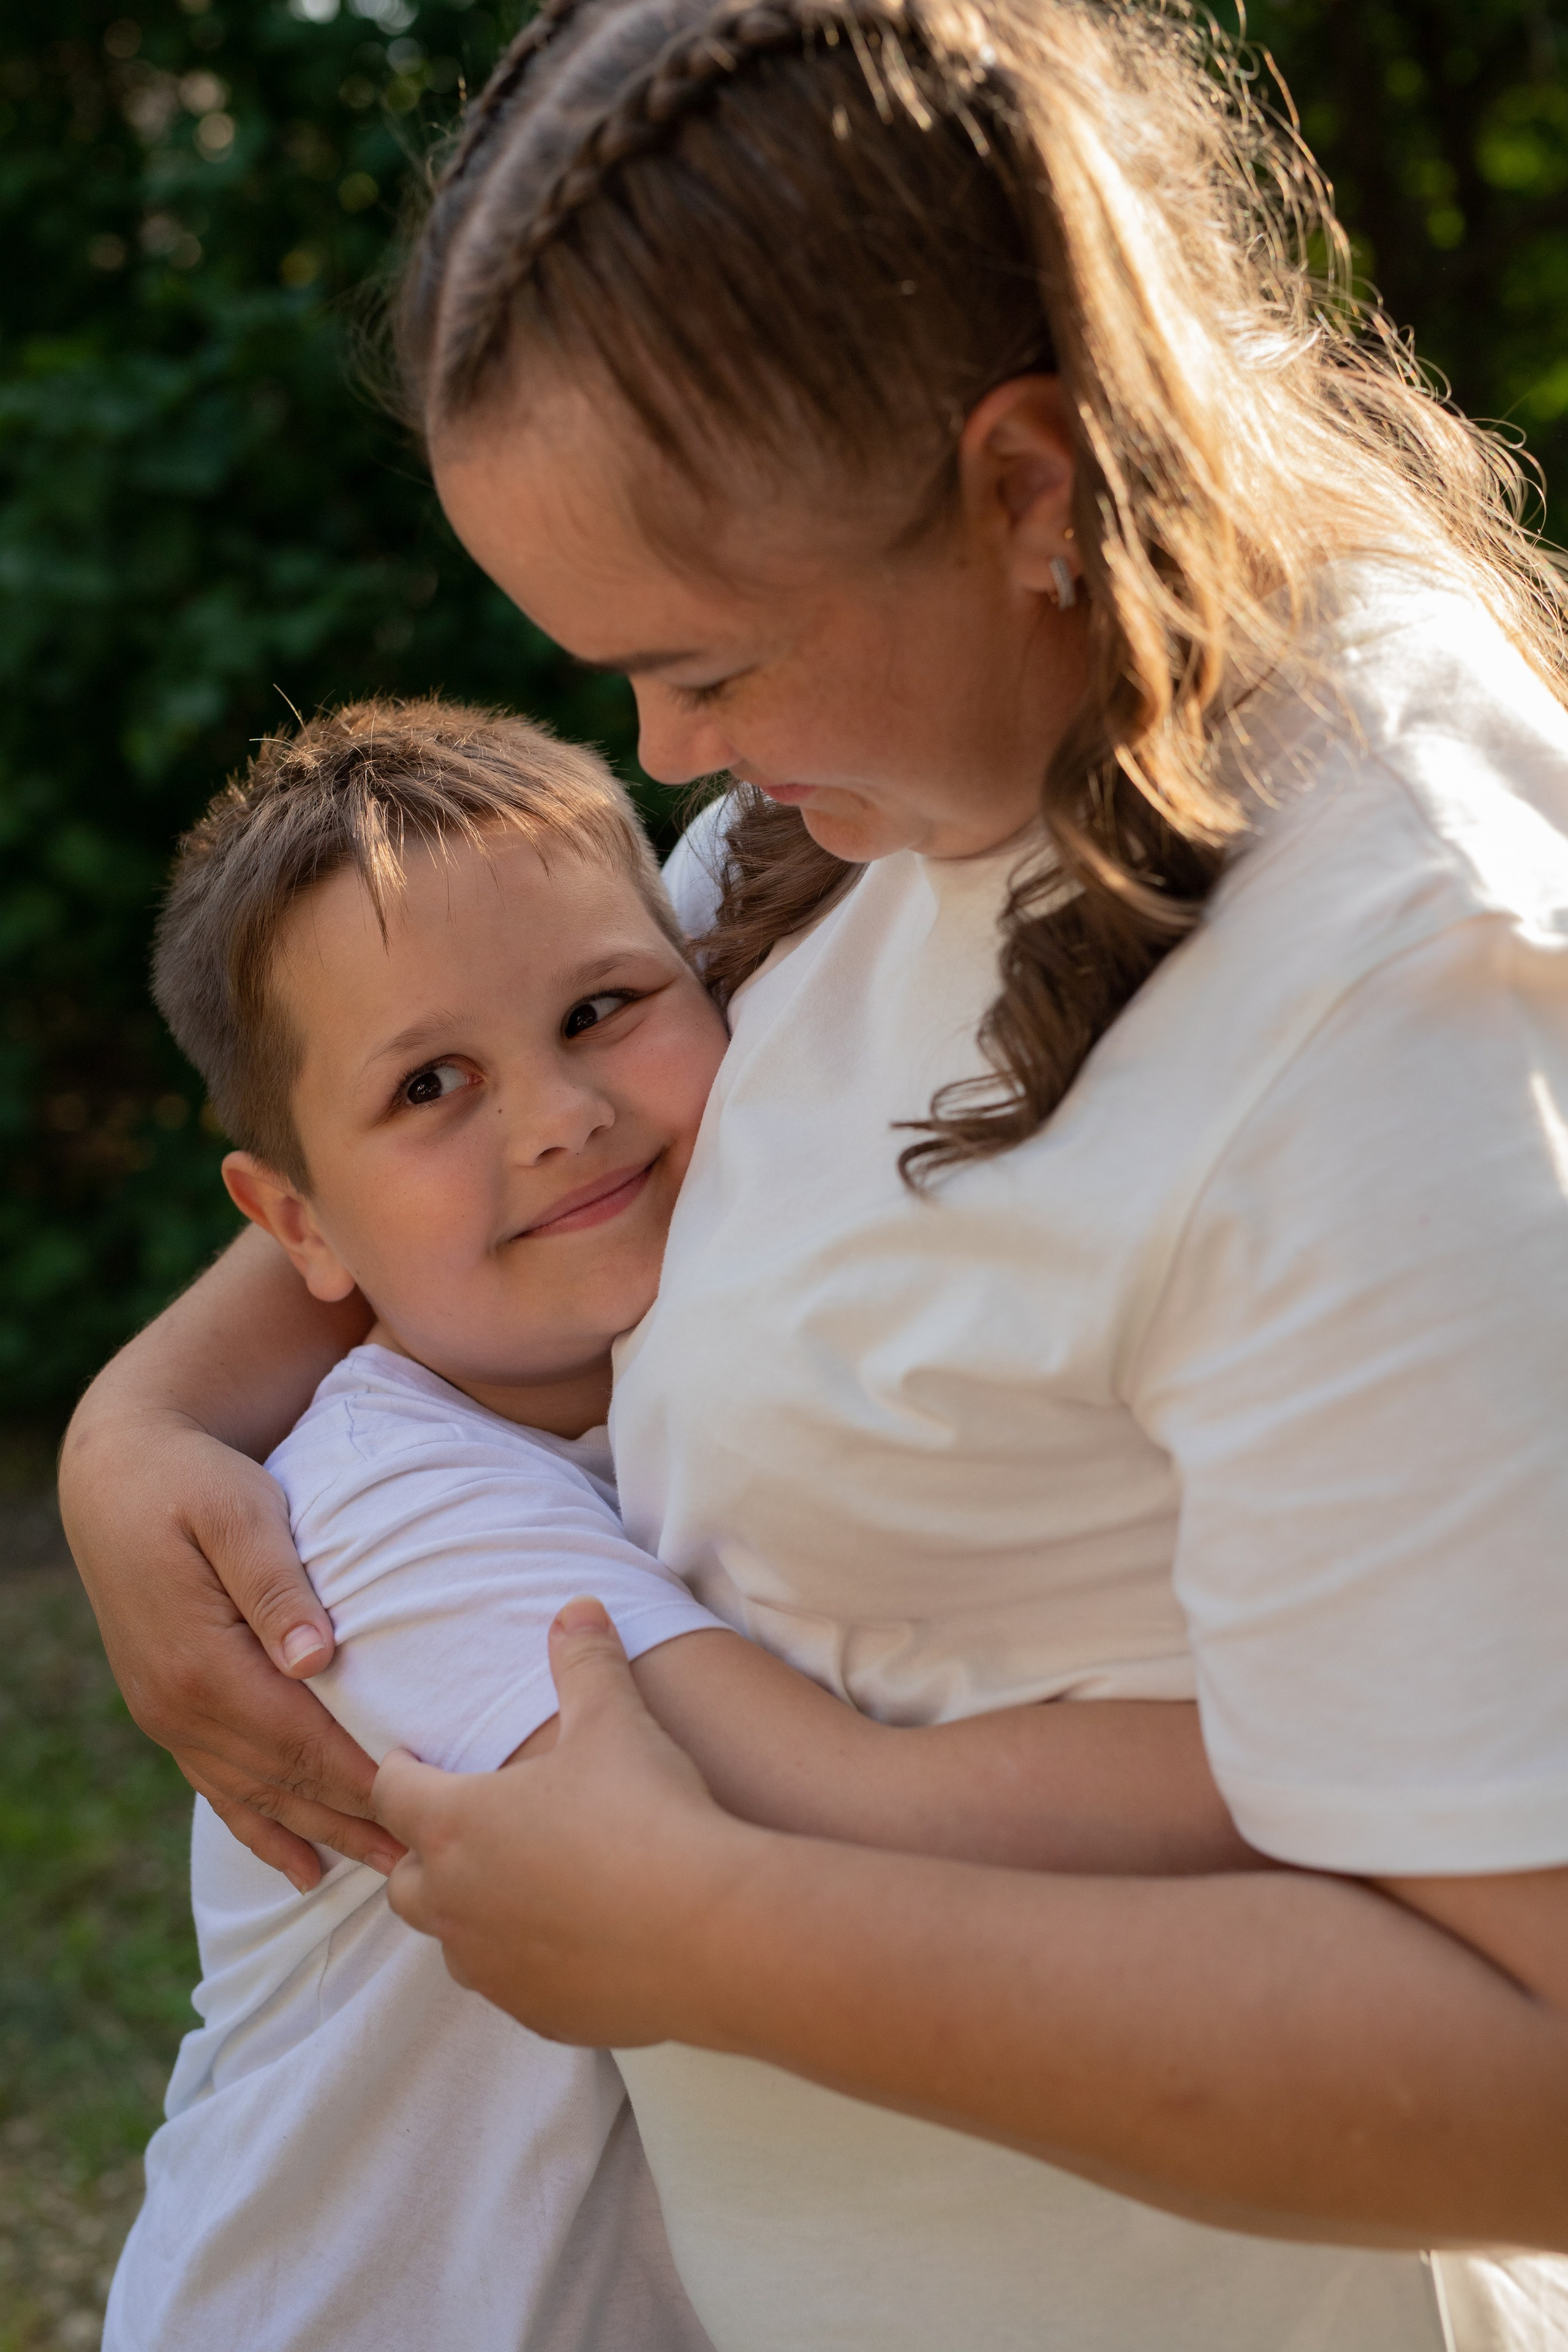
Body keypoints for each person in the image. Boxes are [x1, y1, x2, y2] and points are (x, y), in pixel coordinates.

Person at [62, 0, 1568, 2346]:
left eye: (710, 661)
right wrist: (139, 1434)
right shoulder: (866, 794)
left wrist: (723, 1945)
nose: (671, 756)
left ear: (1025, 489)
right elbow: (505, 1172)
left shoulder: (1401, 995)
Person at [105, 696, 1249, 2351]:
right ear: (295, 1223)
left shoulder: (648, 1384)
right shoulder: (379, 1523)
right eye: (430, 1083)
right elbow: (857, 1813)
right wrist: (1358, 1740)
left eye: (602, 1007)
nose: (557, 1113)